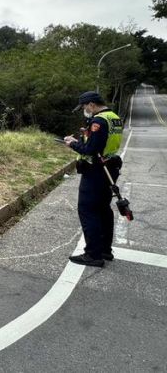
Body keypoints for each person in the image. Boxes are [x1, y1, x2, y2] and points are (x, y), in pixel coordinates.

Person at [63, 91, 123, 267]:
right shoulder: (114, 117)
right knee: (103, 209)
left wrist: (72, 143)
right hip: (110, 167)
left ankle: (93, 254)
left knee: (88, 210)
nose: (84, 110)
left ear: (91, 104)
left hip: (96, 170)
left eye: (84, 107)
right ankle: (105, 250)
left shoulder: (98, 121)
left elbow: (91, 149)